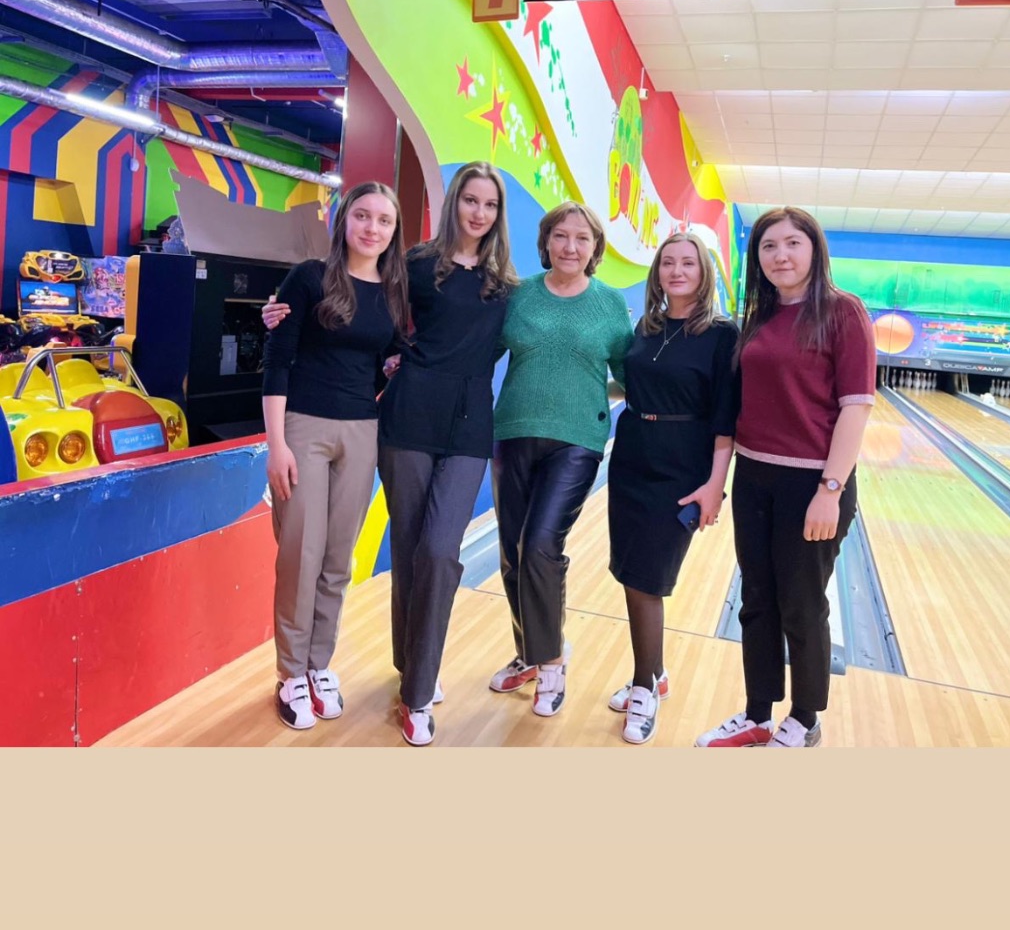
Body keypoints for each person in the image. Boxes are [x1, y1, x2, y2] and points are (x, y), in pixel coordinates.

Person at [263, 164, 516, 746]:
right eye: (362, 216)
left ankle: (366, 673)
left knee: (385, 555)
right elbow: (303, 347)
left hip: (407, 426)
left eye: (490, 204)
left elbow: (391, 349)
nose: (478, 212)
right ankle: (300, 672)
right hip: (357, 423)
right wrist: (276, 315)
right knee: (322, 552)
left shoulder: (466, 286)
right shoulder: (376, 272)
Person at [695, 206, 876, 750]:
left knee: (801, 602)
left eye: (793, 243)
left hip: (812, 483)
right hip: (754, 476)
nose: (781, 255)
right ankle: (757, 713)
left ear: (814, 249)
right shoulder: (760, 316)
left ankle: (805, 717)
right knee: (757, 599)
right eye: (769, 246)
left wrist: (830, 489)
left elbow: (856, 406)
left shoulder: (843, 311)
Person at [262, 182, 408, 732]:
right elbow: (277, 360)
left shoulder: (393, 292)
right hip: (303, 426)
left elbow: (385, 359)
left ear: (394, 232)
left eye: (384, 221)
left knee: (337, 558)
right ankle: (290, 672)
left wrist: (392, 368)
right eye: (363, 216)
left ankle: (318, 664)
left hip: (362, 431)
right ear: (345, 219)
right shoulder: (309, 278)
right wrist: (276, 443)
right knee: (300, 553)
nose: (372, 228)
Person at [487, 200, 633, 718]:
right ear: (546, 241)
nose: (571, 246)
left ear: (595, 249)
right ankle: (530, 652)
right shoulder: (518, 296)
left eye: (582, 238)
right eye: (561, 236)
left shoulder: (610, 305)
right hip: (512, 433)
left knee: (541, 545)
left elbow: (631, 374)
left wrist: (597, 395)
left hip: (577, 440)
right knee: (512, 553)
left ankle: (551, 662)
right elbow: (475, 351)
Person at [605, 232, 738, 744]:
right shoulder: (648, 326)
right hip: (632, 456)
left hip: (683, 465)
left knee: (649, 578)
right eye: (668, 263)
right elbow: (630, 384)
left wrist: (714, 486)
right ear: (657, 272)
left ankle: (645, 688)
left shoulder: (722, 334)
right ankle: (654, 673)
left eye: (688, 263)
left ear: (704, 273)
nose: (676, 271)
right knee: (629, 572)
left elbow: (725, 417)